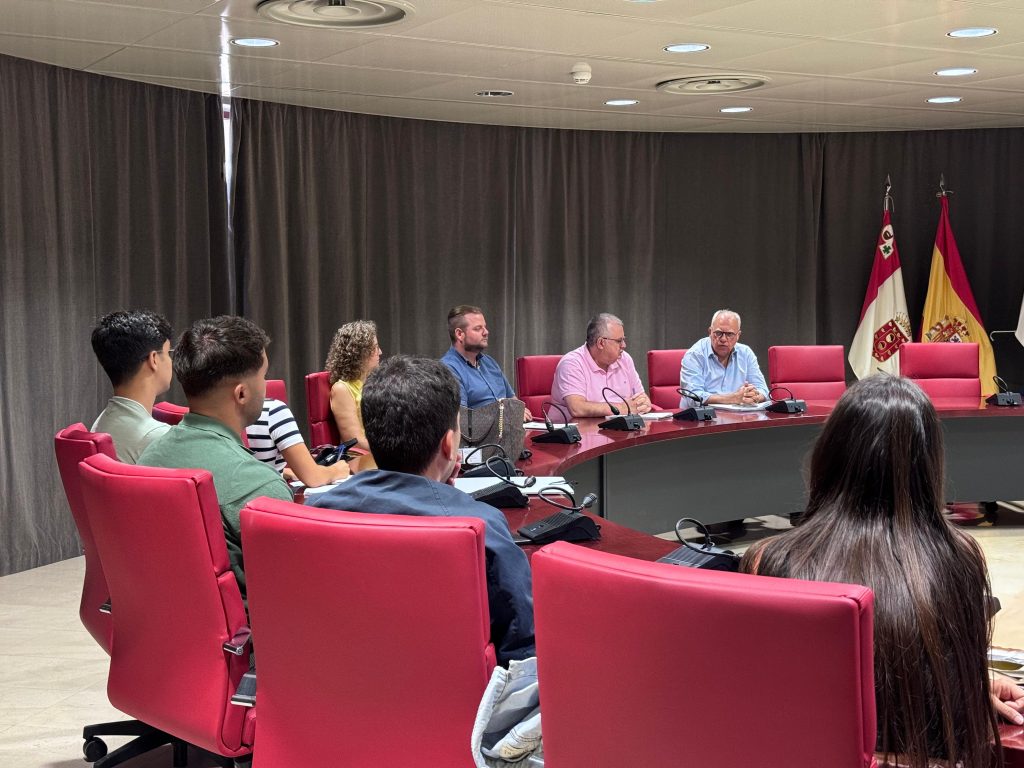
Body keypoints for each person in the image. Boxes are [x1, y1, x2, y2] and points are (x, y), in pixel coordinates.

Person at [741, 376, 1024, 768]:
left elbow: (773, 698)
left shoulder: (768, 561)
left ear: (830, 455)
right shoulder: (960, 557)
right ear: (928, 465)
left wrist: (962, 687)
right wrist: (967, 691)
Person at [310, 355, 535, 666]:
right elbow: (522, 651)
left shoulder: (318, 511)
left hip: (340, 691)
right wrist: (447, 499)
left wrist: (444, 494)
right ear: (448, 444)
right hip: (458, 706)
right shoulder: (481, 528)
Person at [139, 315, 292, 600]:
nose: (266, 385)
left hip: (164, 631)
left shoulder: (149, 457)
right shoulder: (259, 488)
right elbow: (292, 595)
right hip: (250, 640)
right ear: (242, 393)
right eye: (264, 375)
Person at [90, 309, 175, 463]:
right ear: (154, 359)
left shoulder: (100, 423)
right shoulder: (157, 436)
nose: (171, 361)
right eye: (168, 353)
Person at [550, 312, 652, 418]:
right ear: (601, 343)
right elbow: (577, 408)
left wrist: (643, 404)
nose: (624, 345)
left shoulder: (624, 359)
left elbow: (642, 398)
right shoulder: (572, 363)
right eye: (619, 341)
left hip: (618, 430)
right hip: (576, 432)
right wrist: (621, 408)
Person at [441, 304, 532, 421]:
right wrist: (506, 415)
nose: (486, 332)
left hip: (509, 430)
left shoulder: (489, 362)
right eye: (478, 328)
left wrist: (519, 410)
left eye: (485, 327)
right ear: (459, 334)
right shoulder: (448, 369)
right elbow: (461, 419)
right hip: (480, 437)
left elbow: (512, 399)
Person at [245, 397, 350, 487]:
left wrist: (282, 472)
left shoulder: (230, 414)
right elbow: (313, 478)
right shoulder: (272, 411)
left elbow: (250, 473)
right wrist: (337, 470)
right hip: (271, 503)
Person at [680, 309, 768, 408]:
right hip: (699, 419)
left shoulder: (746, 353)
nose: (723, 339)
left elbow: (763, 390)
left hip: (736, 418)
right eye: (718, 333)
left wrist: (753, 397)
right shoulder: (695, 355)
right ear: (710, 332)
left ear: (738, 335)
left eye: (729, 334)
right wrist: (733, 398)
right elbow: (693, 397)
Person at [326, 320, 382, 454]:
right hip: (362, 460)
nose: (380, 352)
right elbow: (355, 441)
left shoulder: (373, 382)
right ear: (360, 353)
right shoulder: (342, 389)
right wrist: (391, 452)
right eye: (375, 348)